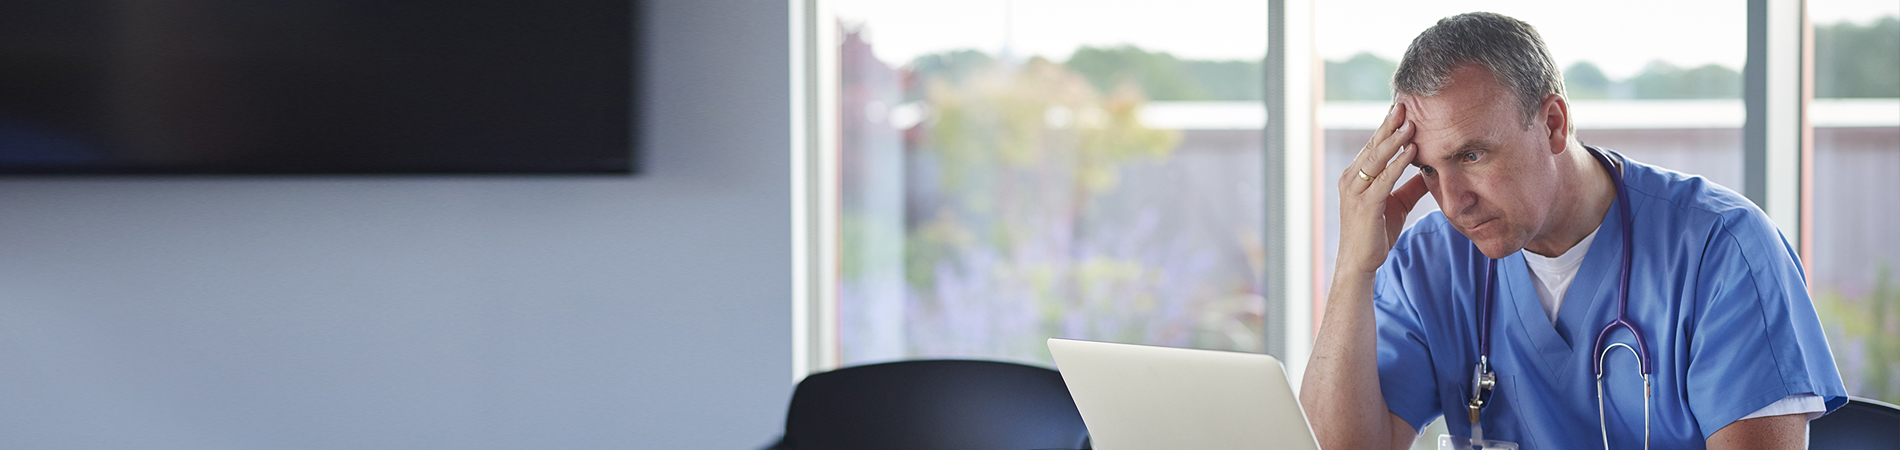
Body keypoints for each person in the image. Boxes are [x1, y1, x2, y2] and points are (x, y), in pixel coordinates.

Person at [1297, 12, 1847, 450]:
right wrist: (1354, 269)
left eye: (1472, 154)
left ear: (1554, 123)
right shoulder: (1429, 262)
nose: (1454, 202)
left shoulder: (1722, 249)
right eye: (1430, 170)